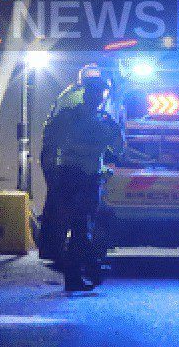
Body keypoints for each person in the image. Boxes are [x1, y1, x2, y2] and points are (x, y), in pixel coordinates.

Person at [43, 75, 124, 291]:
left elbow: (49, 144)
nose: (98, 97)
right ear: (95, 95)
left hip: (69, 176)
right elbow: (119, 149)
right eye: (98, 93)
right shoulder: (103, 121)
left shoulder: (67, 117)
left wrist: (51, 177)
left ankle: (80, 273)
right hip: (86, 178)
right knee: (82, 227)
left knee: (74, 227)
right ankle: (79, 275)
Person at [37, 63, 108, 260]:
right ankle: (64, 255)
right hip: (66, 163)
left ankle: (55, 251)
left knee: (59, 207)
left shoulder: (70, 94)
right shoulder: (79, 98)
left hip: (59, 159)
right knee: (71, 212)